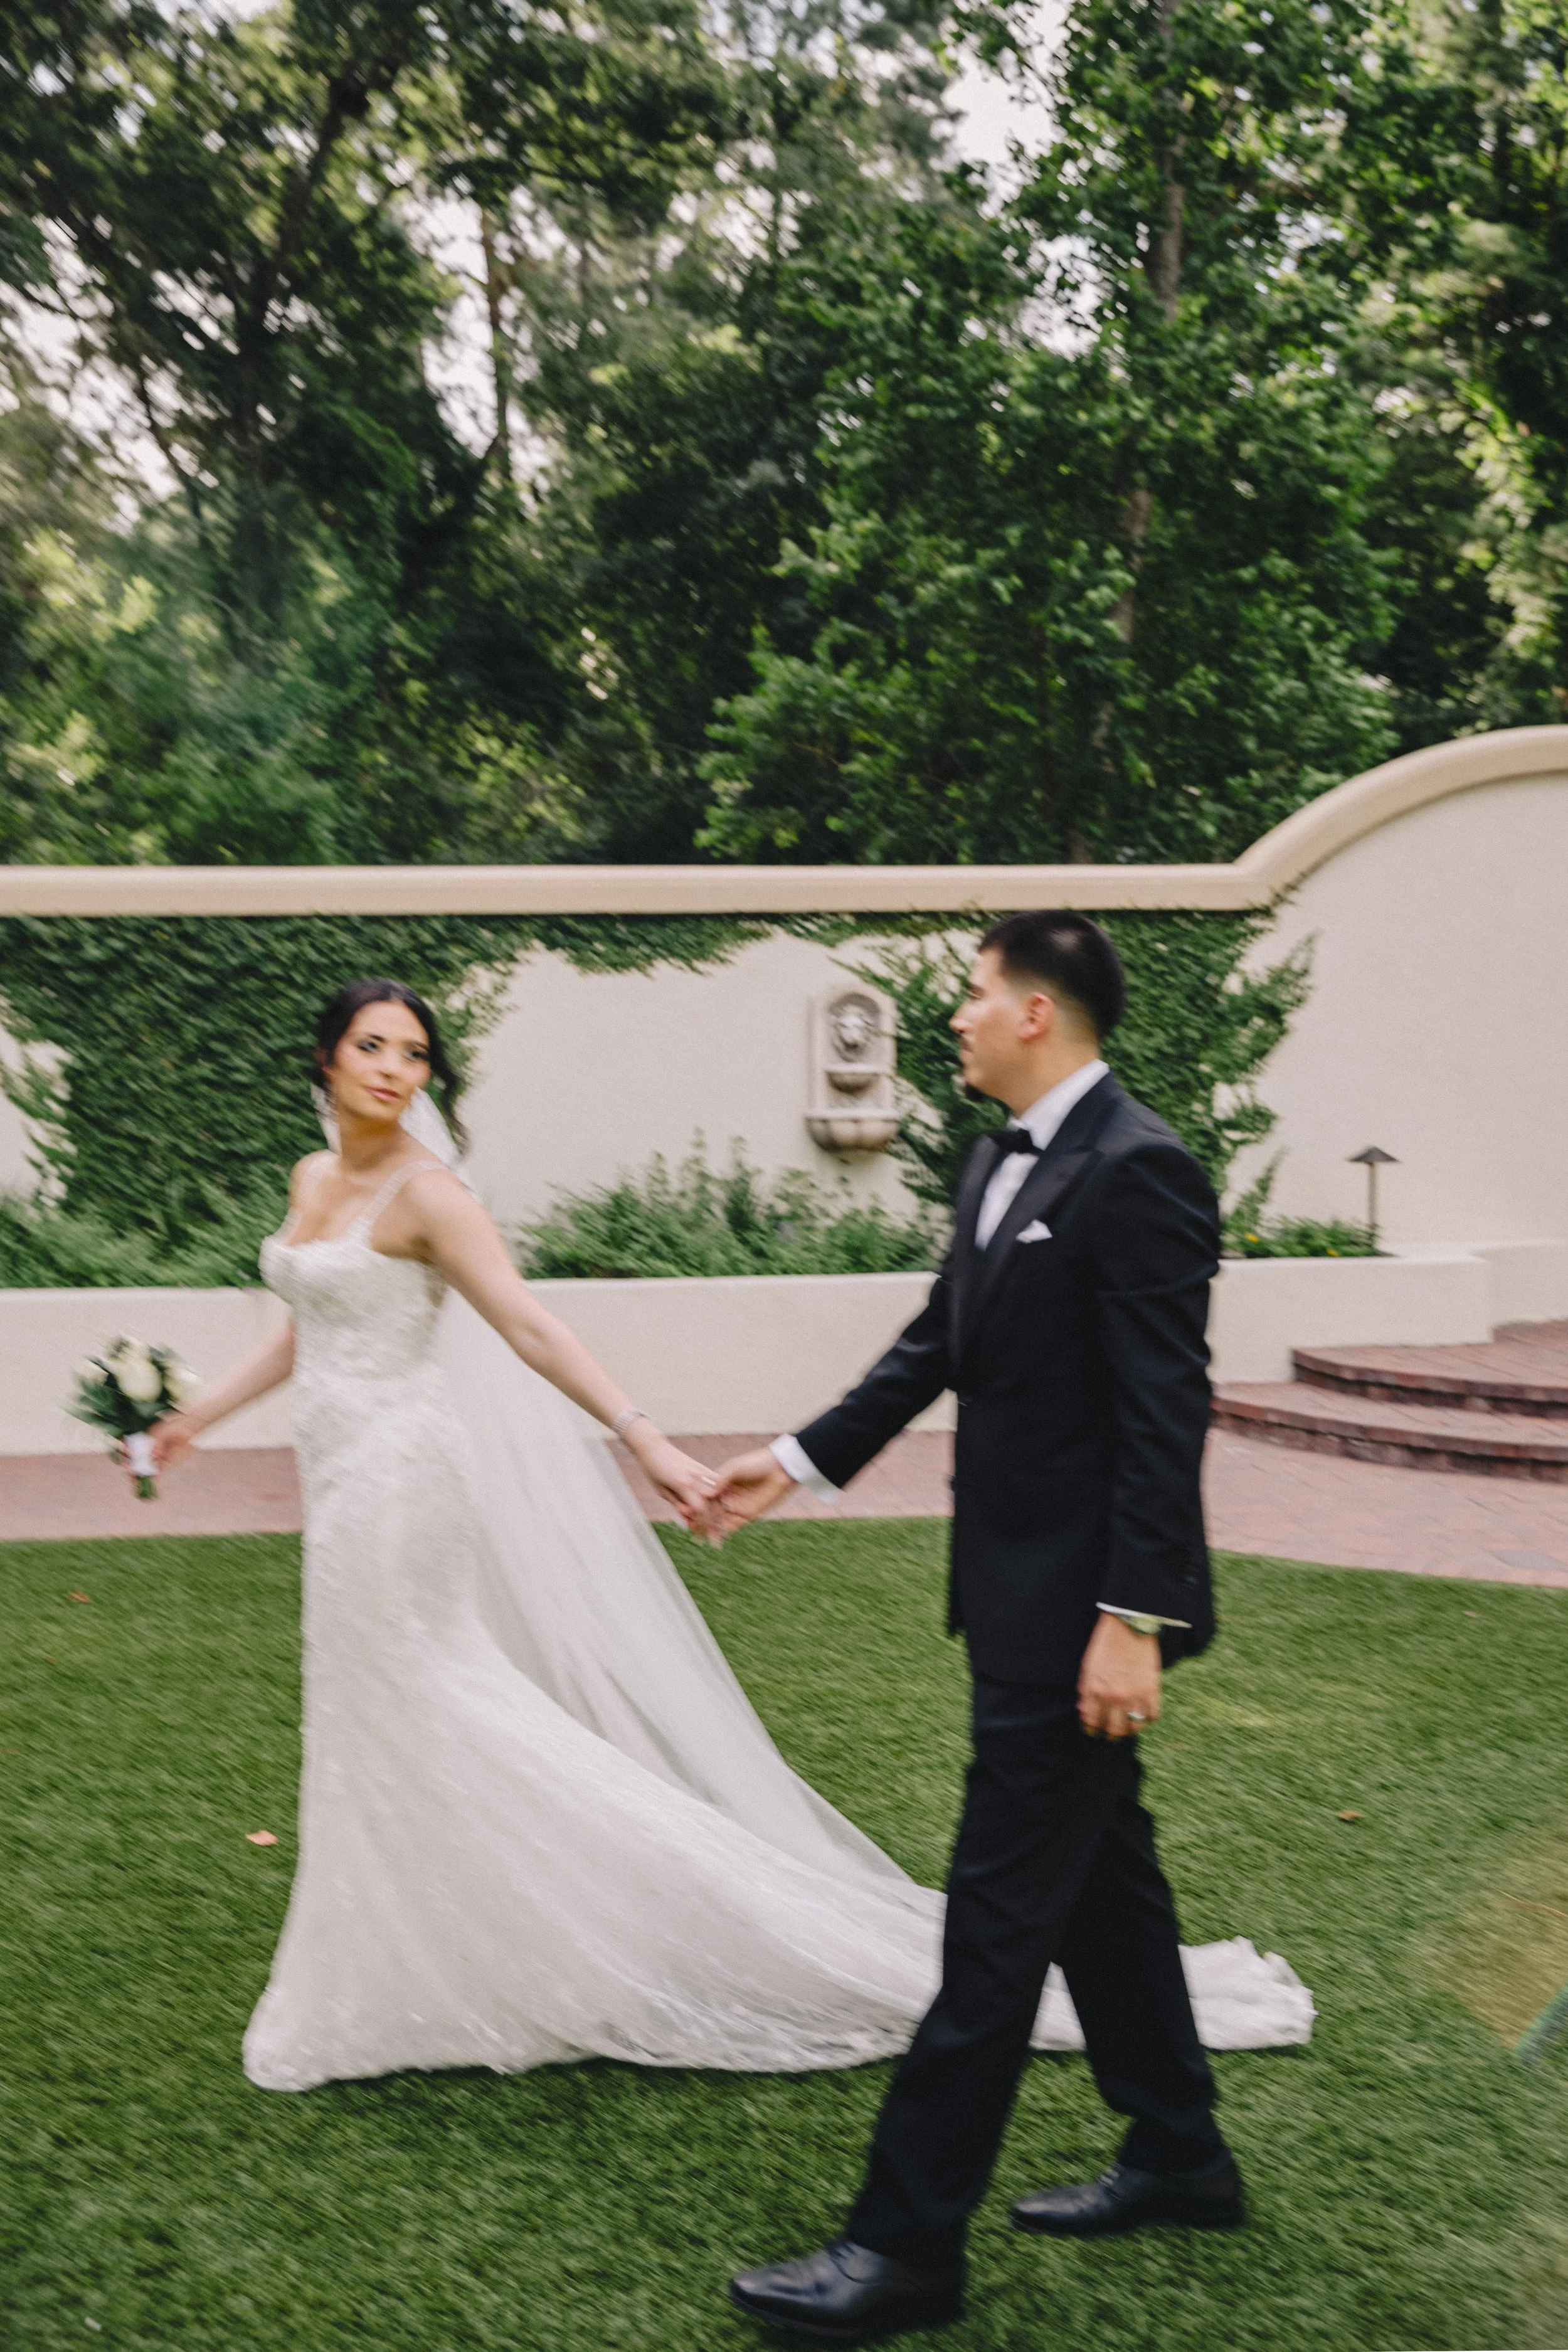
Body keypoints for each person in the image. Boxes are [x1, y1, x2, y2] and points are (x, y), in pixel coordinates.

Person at [147, 972, 1306, 2111]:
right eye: (374, 1048)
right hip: (339, 1479)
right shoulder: (312, 1179)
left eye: (413, 1052)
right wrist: (189, 1416)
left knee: (436, 1695)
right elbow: (308, 1332)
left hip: (404, 1478)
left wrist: (644, 1436)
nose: (397, 1070)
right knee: (371, 1711)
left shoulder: (430, 1193)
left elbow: (531, 1327)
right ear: (326, 1059)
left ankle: (666, 1908)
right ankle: (408, 1965)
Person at [716, 912, 1246, 2345]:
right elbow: (938, 1341)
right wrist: (797, 1459)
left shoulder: (1140, 1169)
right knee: (1101, 1888)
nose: (946, 1015)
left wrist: (1132, 1616)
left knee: (995, 1934)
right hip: (1011, 1603)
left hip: (1080, 1617)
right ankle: (1180, 2155)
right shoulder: (990, 1159)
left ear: (1033, 1013)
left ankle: (901, 2250)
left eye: (966, 993)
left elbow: (1161, 1412)